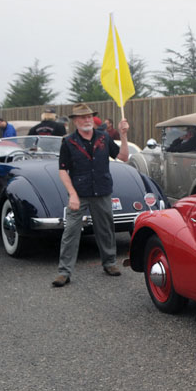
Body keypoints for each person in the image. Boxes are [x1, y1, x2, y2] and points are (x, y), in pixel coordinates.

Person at [53, 103, 129, 287]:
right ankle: (64, 272)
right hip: (79, 193)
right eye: (82, 117)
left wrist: (124, 135)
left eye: (89, 117)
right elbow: (63, 171)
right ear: (75, 121)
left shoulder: (103, 137)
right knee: (71, 231)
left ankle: (110, 263)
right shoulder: (68, 142)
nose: (87, 120)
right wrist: (72, 194)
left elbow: (123, 157)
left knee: (105, 229)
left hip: (102, 191)